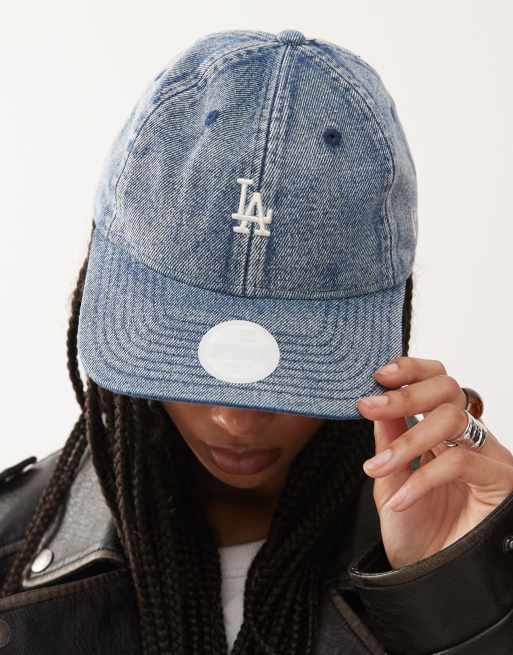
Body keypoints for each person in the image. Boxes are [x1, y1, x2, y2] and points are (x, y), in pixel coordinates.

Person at [0, 28, 512, 655]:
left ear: (389, 318)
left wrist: (459, 593)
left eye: (295, 362)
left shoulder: (460, 531)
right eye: (184, 355)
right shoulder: (8, 550)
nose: (237, 419)